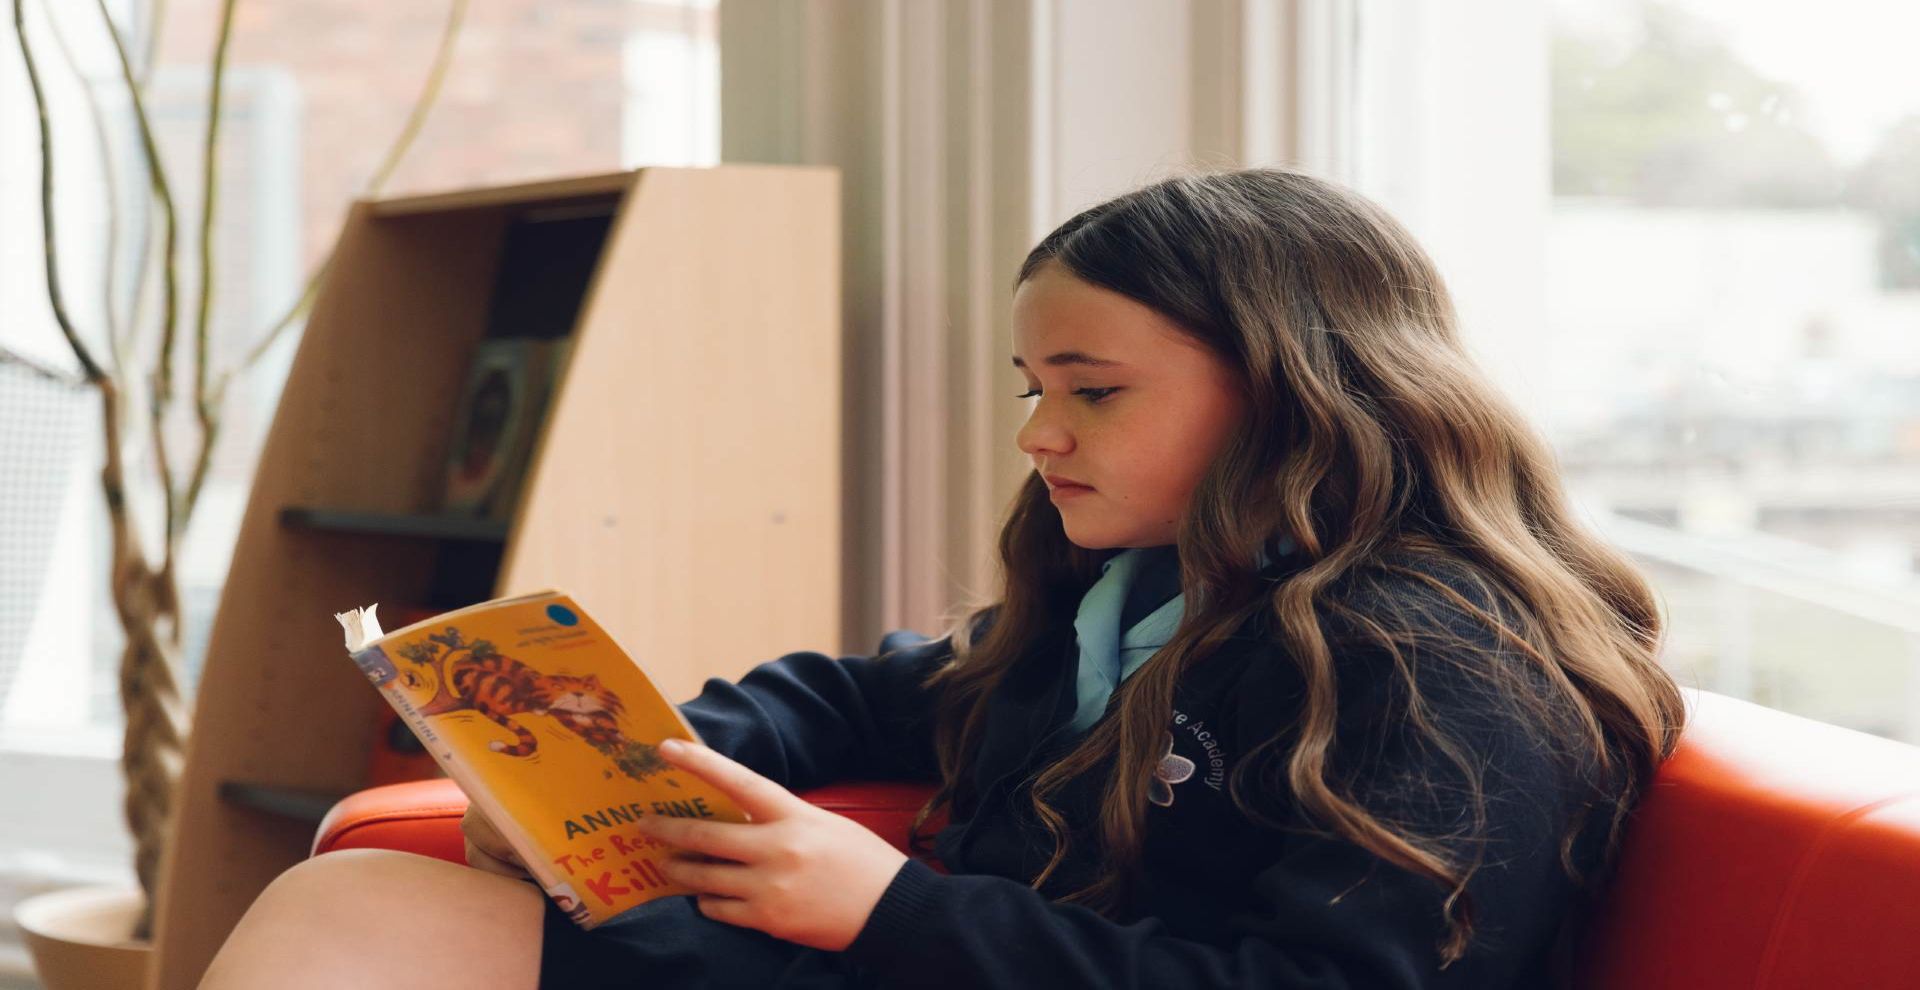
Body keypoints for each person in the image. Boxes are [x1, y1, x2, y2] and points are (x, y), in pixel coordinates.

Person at [198, 166, 1685, 989]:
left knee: (359, 928)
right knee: (358, 907)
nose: (1039, 433)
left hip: (927, 960)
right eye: (1034, 387)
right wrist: (638, 770)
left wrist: (892, 911)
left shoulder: (1439, 661)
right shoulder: (1140, 593)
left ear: (1296, 386)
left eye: (1094, 390)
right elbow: (869, 696)